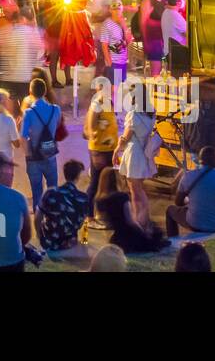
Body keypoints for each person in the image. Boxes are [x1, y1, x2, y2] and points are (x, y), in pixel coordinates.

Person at [165, 146, 215, 237]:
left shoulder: (188, 176)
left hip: (194, 223)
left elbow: (178, 202)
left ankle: (173, 241)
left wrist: (188, 201)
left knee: (170, 210)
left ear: (200, 161)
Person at [20, 76, 61, 211]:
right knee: (53, 190)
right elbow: (57, 126)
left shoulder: (29, 113)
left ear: (30, 92)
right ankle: (54, 218)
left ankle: (39, 223)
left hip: (34, 157)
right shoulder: (56, 109)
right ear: (44, 92)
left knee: (37, 192)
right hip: (50, 154)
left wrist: (28, 155)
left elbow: (23, 137)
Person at [115, 103, 159, 228]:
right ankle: (143, 219)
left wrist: (117, 148)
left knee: (135, 191)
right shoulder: (150, 113)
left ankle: (139, 220)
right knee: (139, 189)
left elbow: (126, 137)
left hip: (134, 154)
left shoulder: (134, 114)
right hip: (143, 153)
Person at [37, 159, 90, 257]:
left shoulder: (50, 193)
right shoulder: (83, 198)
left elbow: (38, 216)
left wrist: (38, 234)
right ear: (78, 177)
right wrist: (84, 242)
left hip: (49, 242)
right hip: (69, 243)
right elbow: (85, 223)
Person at [95, 187, 169, 254]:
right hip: (130, 238)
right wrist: (142, 232)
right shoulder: (123, 198)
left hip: (119, 238)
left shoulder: (104, 201)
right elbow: (130, 221)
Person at [0, 8, 43, 103]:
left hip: (7, 78)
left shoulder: (4, 31)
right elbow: (42, 51)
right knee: (25, 107)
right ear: (24, 19)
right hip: (26, 78)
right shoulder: (33, 32)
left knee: (9, 108)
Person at [84, 83, 118, 219]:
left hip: (109, 149)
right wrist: (95, 154)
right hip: (100, 150)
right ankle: (89, 215)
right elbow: (90, 128)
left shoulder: (108, 101)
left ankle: (105, 213)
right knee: (96, 182)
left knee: (109, 182)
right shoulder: (97, 103)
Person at [160, 0, 187, 74]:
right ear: (179, 3)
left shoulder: (166, 12)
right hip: (177, 53)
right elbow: (188, 34)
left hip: (168, 52)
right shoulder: (175, 16)